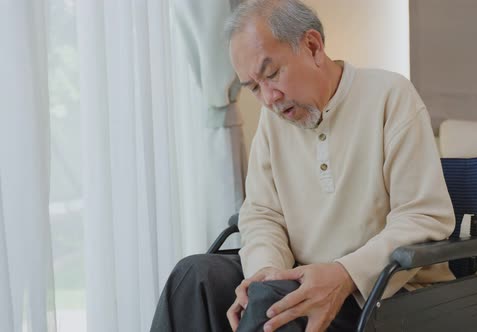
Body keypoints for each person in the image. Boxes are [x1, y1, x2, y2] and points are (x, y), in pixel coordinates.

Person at [151, 0, 456, 331]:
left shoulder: (390, 96)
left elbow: (423, 217)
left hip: (382, 292)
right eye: (253, 86)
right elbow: (263, 214)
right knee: (195, 275)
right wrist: (265, 271)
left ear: (313, 47)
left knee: (274, 305)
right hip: (296, 277)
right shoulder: (274, 121)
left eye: (272, 73)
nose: (268, 97)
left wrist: (343, 273)